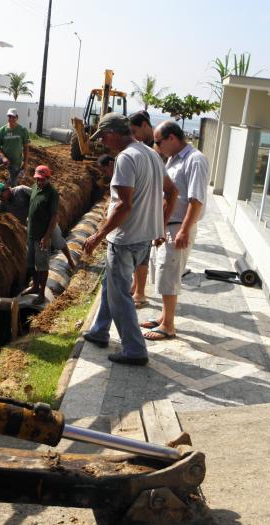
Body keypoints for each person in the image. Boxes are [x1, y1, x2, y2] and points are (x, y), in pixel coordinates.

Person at [82, 113, 177, 366]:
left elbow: (123, 206)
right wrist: (160, 224)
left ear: (113, 133)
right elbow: (171, 191)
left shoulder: (125, 158)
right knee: (110, 286)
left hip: (125, 238)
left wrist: (98, 234)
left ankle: (134, 349)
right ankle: (99, 331)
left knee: (120, 295)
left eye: (103, 136)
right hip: (143, 236)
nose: (102, 141)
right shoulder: (151, 154)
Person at [142, 121, 209, 341]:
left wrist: (184, 230)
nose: (157, 146)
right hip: (169, 226)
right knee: (162, 273)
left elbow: (195, 199)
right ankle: (163, 317)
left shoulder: (194, 160)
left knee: (169, 274)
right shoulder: (173, 159)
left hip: (180, 226)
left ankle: (168, 325)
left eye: (159, 142)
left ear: (172, 138)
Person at [0, 182, 76, 270]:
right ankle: (41, 275)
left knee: (58, 241)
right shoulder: (3, 204)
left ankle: (70, 260)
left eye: (0, 196)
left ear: (6, 190)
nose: (0, 199)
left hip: (45, 221)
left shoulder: (22, 190)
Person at [127, 111, 155, 307]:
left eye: (135, 131)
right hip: (146, 209)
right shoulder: (146, 147)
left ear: (145, 125)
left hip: (149, 210)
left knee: (143, 253)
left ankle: (140, 294)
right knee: (139, 253)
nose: (134, 136)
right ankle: (136, 286)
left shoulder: (155, 149)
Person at [22, 165, 59, 305]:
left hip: (42, 237)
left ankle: (42, 294)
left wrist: (46, 236)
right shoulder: (35, 187)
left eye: (42, 179)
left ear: (48, 178)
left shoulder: (52, 194)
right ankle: (34, 286)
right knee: (31, 263)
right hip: (31, 234)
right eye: (37, 179)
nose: (40, 182)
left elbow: (54, 217)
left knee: (42, 266)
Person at [0, 108, 30, 187]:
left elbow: (26, 148)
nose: (11, 119)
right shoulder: (2, 130)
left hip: (16, 161)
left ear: (17, 118)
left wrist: (25, 163)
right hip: (4, 157)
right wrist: (3, 158)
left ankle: (10, 193)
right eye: (10, 117)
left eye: (13, 117)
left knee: (13, 184)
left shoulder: (22, 130)